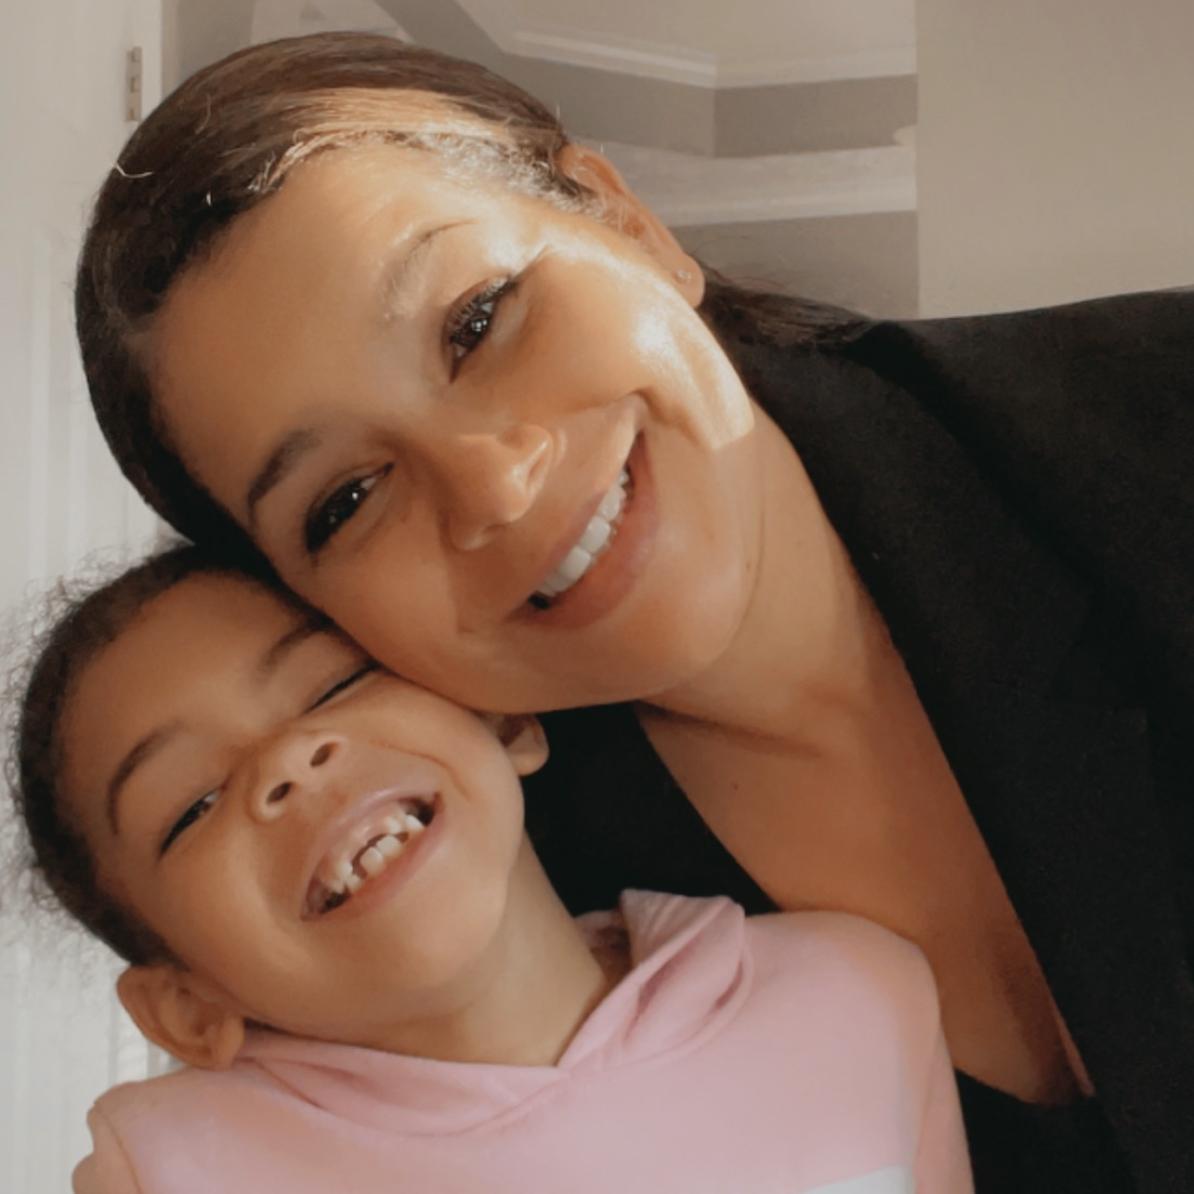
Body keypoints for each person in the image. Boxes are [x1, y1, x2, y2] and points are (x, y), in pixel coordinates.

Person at [73, 32, 1193, 1193]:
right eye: (347, 500)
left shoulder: (1157, 425)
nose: (496, 488)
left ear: (629, 224)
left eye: (478, 321)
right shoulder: (479, 900)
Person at [10, 545, 970, 1193]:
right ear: (186, 1009)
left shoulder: (856, 994)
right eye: (192, 805)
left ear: (503, 718)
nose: (287, 764)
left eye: (334, 685)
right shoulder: (171, 1168)